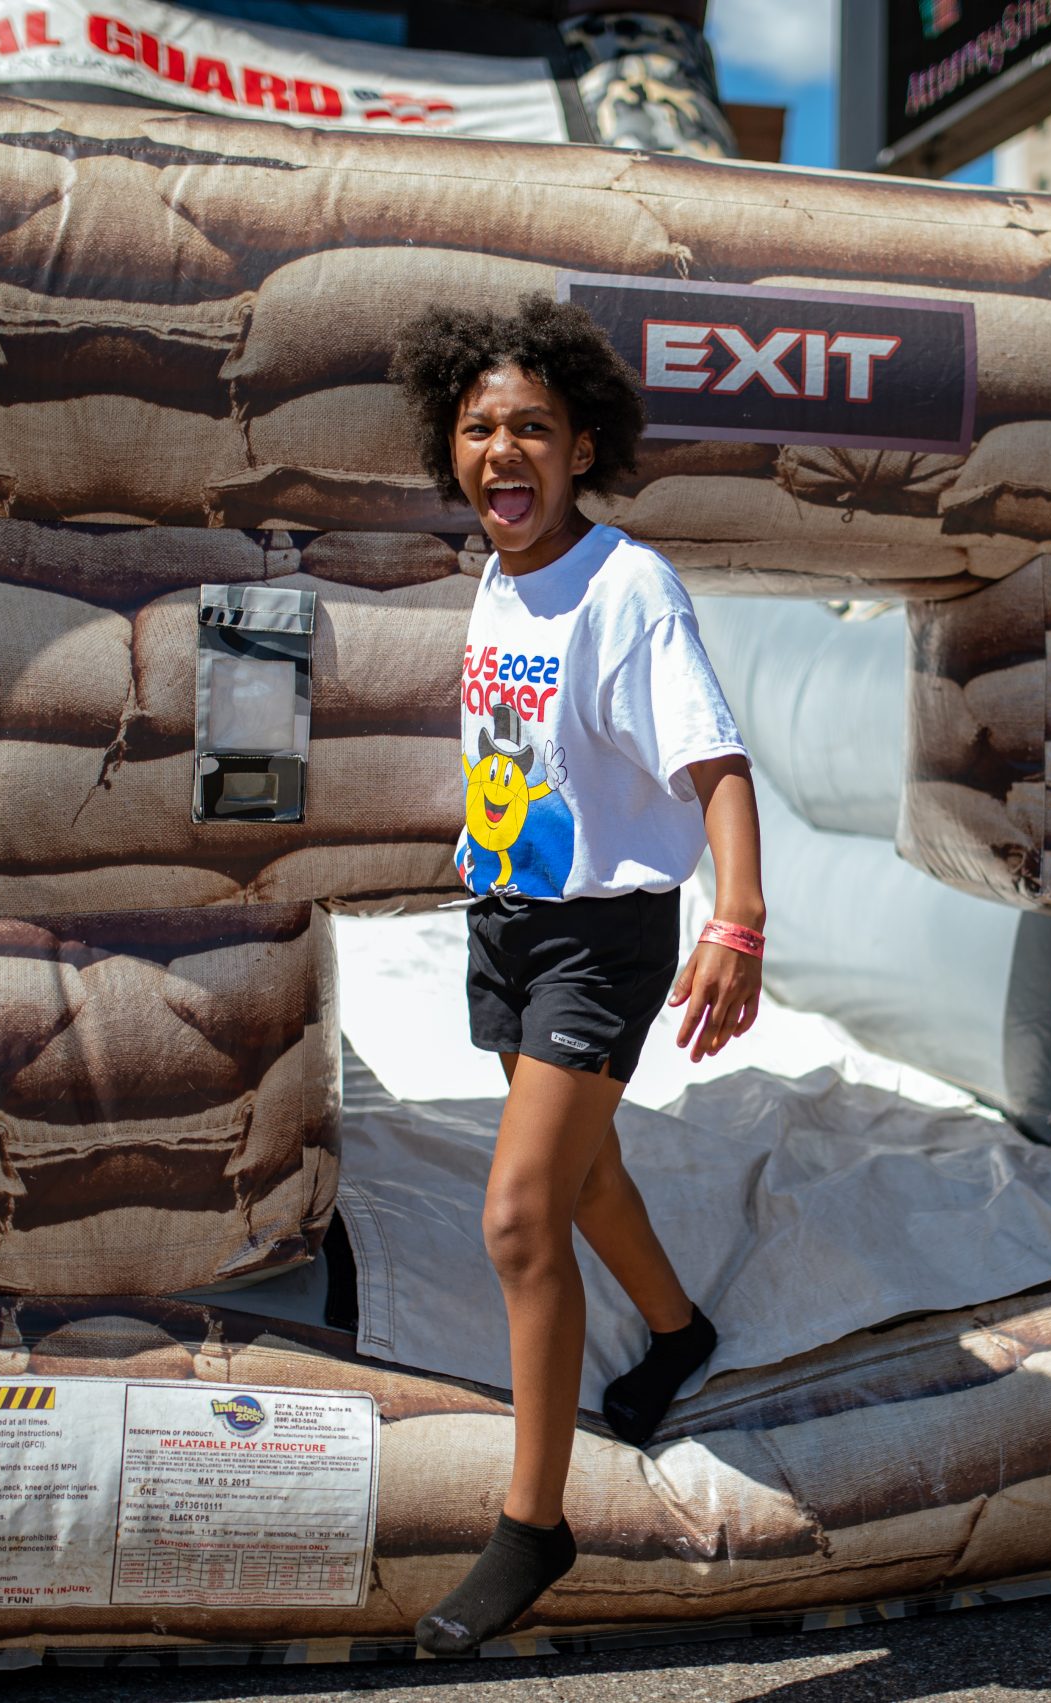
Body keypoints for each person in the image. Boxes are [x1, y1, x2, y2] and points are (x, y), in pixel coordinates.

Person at [388, 294, 767, 1655]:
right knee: (583, 1169)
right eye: (478, 428)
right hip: (507, 918)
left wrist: (738, 921)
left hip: (601, 940)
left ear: (582, 445)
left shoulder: (627, 584)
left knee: (518, 1219)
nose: (503, 450)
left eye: (533, 429)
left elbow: (715, 763)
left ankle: (532, 1524)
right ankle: (676, 1333)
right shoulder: (496, 577)